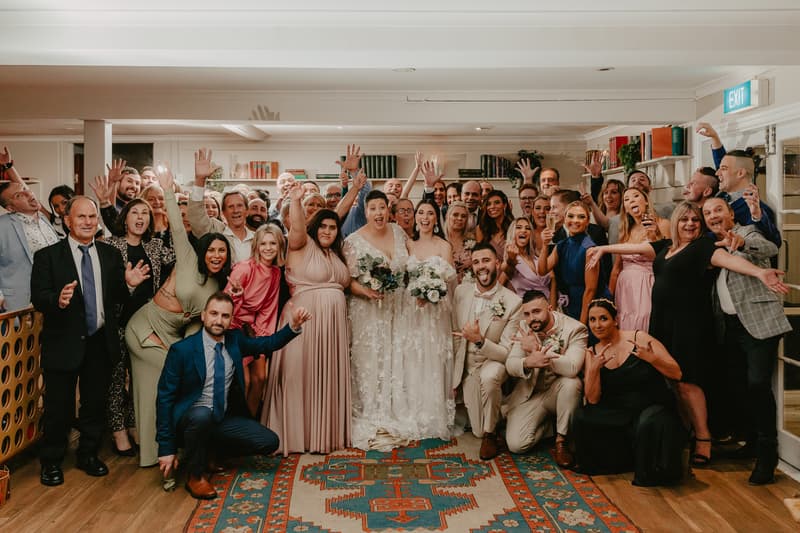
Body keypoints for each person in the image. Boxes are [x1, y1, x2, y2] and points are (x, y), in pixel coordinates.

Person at [586, 201, 788, 468]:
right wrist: (602, 248)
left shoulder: (702, 247)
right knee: (670, 381)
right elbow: (634, 248)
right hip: (663, 324)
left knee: (687, 381)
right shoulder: (666, 248)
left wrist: (760, 272)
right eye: (685, 220)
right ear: (676, 223)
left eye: (695, 220)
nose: (691, 224)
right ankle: (687, 433)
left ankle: (703, 438)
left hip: (689, 325)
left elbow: (727, 260)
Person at [31, 196, 150, 486]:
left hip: (99, 341)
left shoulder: (109, 255)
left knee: (94, 405)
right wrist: (57, 300)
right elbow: (38, 297)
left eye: (92, 217)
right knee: (59, 408)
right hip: (64, 342)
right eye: (80, 217)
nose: (87, 222)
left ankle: (88, 454)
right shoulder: (48, 256)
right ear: (68, 220)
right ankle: (51, 462)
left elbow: (117, 298)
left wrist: (130, 285)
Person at [125, 166, 232, 467]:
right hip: (145, 328)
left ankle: (177, 448)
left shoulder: (217, 286)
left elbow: (208, 321)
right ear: (203, 251)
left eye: (221, 252)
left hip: (172, 336)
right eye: (211, 249)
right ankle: (162, 453)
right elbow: (175, 222)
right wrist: (168, 190)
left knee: (168, 387)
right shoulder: (186, 257)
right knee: (165, 385)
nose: (215, 255)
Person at [156, 292, 311, 499]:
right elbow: (164, 399)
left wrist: (293, 326)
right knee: (202, 415)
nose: (218, 320)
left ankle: (211, 449)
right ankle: (195, 476)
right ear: (203, 316)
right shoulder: (182, 350)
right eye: (213, 314)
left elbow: (267, 344)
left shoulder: (235, 340)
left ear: (231, 320)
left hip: (221, 418)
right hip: (191, 418)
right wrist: (166, 448)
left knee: (269, 441)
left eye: (225, 316)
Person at [703, 197, 792, 484]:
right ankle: (752, 441)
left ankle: (768, 455)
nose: (713, 215)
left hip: (759, 322)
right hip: (730, 326)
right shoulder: (711, 245)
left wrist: (740, 244)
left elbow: (770, 247)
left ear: (731, 213)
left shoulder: (747, 232)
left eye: (718, 210)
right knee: (738, 386)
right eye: (707, 212)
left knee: (757, 384)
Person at [262, 183, 352, 455]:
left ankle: (323, 434)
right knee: (301, 376)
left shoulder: (333, 253)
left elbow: (338, 213)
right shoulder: (301, 244)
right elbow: (299, 228)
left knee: (324, 378)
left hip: (332, 327)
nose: (327, 231)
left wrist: (355, 189)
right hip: (306, 321)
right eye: (322, 226)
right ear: (314, 227)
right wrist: (297, 201)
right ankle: (298, 435)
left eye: (332, 228)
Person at [571, 299, 686, 486]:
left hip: (652, 404)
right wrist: (593, 370)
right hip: (618, 409)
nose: (597, 325)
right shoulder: (591, 352)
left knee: (648, 422)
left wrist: (652, 359)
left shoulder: (640, 338)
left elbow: (676, 373)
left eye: (603, 318)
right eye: (592, 320)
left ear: (615, 320)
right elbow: (592, 399)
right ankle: (613, 464)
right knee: (583, 416)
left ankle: (651, 472)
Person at [105, 198, 176, 456]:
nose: (140, 217)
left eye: (145, 213)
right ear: (125, 218)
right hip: (118, 321)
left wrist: (169, 226)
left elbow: (182, 259)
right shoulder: (111, 245)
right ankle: (118, 429)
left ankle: (135, 424)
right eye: (134, 212)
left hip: (148, 323)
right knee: (115, 378)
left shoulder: (156, 245)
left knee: (140, 379)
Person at [344, 190, 410, 450]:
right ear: (365, 210)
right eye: (373, 208)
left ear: (388, 209)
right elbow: (347, 280)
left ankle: (395, 406)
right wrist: (367, 291)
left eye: (382, 207)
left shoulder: (399, 232)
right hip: (367, 310)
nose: (378, 213)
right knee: (370, 358)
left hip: (397, 308)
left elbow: (412, 262)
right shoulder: (353, 241)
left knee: (396, 356)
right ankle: (370, 407)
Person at [451, 243, 522, 460]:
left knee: (490, 377)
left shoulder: (513, 302)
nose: (481, 266)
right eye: (476, 262)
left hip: (493, 362)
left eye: (486, 261)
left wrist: (480, 341)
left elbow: (506, 353)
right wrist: (454, 377)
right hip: (469, 365)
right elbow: (455, 336)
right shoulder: (461, 292)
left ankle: (492, 436)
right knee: (477, 430)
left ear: (498, 264)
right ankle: (502, 413)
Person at [504, 290, 587, 467]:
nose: (531, 318)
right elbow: (510, 365)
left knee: (572, 383)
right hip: (531, 394)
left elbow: (572, 368)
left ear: (550, 308)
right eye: (527, 314)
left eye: (537, 312)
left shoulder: (576, 329)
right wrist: (527, 362)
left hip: (560, 392)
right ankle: (549, 426)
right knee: (516, 445)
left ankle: (561, 440)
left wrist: (538, 350)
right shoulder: (524, 328)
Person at [402, 198, 456, 441]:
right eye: (420, 213)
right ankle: (413, 411)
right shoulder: (407, 245)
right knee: (413, 358)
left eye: (430, 213)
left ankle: (435, 415)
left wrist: (433, 294)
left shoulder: (444, 246)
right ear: (415, 217)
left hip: (436, 312)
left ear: (436, 218)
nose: (424, 217)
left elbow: (450, 281)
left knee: (434, 359)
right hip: (411, 310)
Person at [224, 224, 287, 417]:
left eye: (273, 243)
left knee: (261, 377)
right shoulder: (244, 268)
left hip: (253, 330)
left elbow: (268, 310)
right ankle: (235, 427)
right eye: (263, 244)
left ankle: (250, 424)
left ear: (279, 246)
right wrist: (236, 295)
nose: (268, 248)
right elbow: (225, 306)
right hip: (233, 327)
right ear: (256, 246)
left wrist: (260, 342)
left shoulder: (276, 273)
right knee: (245, 382)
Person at [538, 201, 610, 324]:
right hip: (571, 303)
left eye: (581, 217)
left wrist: (581, 325)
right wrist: (544, 245)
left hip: (590, 306)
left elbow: (590, 291)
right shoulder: (561, 245)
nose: (575, 220)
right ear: (564, 219)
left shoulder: (589, 248)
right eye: (570, 216)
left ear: (587, 222)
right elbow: (542, 270)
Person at [610, 188, 670, 331]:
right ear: (625, 208)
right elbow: (617, 268)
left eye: (636, 196)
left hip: (648, 284)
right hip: (624, 288)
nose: (631, 200)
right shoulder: (625, 230)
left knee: (646, 323)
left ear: (646, 202)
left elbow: (669, 259)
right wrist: (608, 297)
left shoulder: (663, 224)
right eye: (627, 199)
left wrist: (655, 235)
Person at [0, 179, 59, 312]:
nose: (27, 194)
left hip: (54, 303)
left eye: (25, 189)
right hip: (19, 306)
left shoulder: (44, 219)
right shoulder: (2, 226)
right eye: (19, 195)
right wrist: (1, 299)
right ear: (10, 208)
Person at [188, 148, 254, 263]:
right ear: (223, 212)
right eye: (230, 207)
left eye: (239, 206)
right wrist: (200, 180)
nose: (236, 210)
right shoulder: (215, 232)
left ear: (247, 211)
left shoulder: (258, 238)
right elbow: (196, 217)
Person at [715, 149, 781, 247]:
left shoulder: (759, 211)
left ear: (740, 173)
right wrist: (715, 139)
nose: (717, 173)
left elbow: (773, 245)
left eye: (723, 169)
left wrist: (757, 216)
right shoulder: (719, 198)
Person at [499, 217, 559, 309]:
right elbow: (506, 269)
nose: (523, 230)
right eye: (518, 227)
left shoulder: (537, 258)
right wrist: (511, 259)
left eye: (527, 228)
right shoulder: (511, 261)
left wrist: (554, 312)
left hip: (550, 308)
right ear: (512, 232)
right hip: (528, 312)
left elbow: (553, 281)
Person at [476, 190, 514, 259]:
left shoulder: (513, 226)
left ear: (504, 205)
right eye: (489, 204)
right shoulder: (481, 228)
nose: (492, 207)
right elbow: (479, 254)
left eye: (497, 203)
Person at [445, 201, 476, 283]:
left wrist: (472, 262)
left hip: (467, 286)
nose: (459, 218)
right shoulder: (440, 240)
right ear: (448, 216)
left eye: (463, 216)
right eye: (455, 215)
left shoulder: (472, 240)